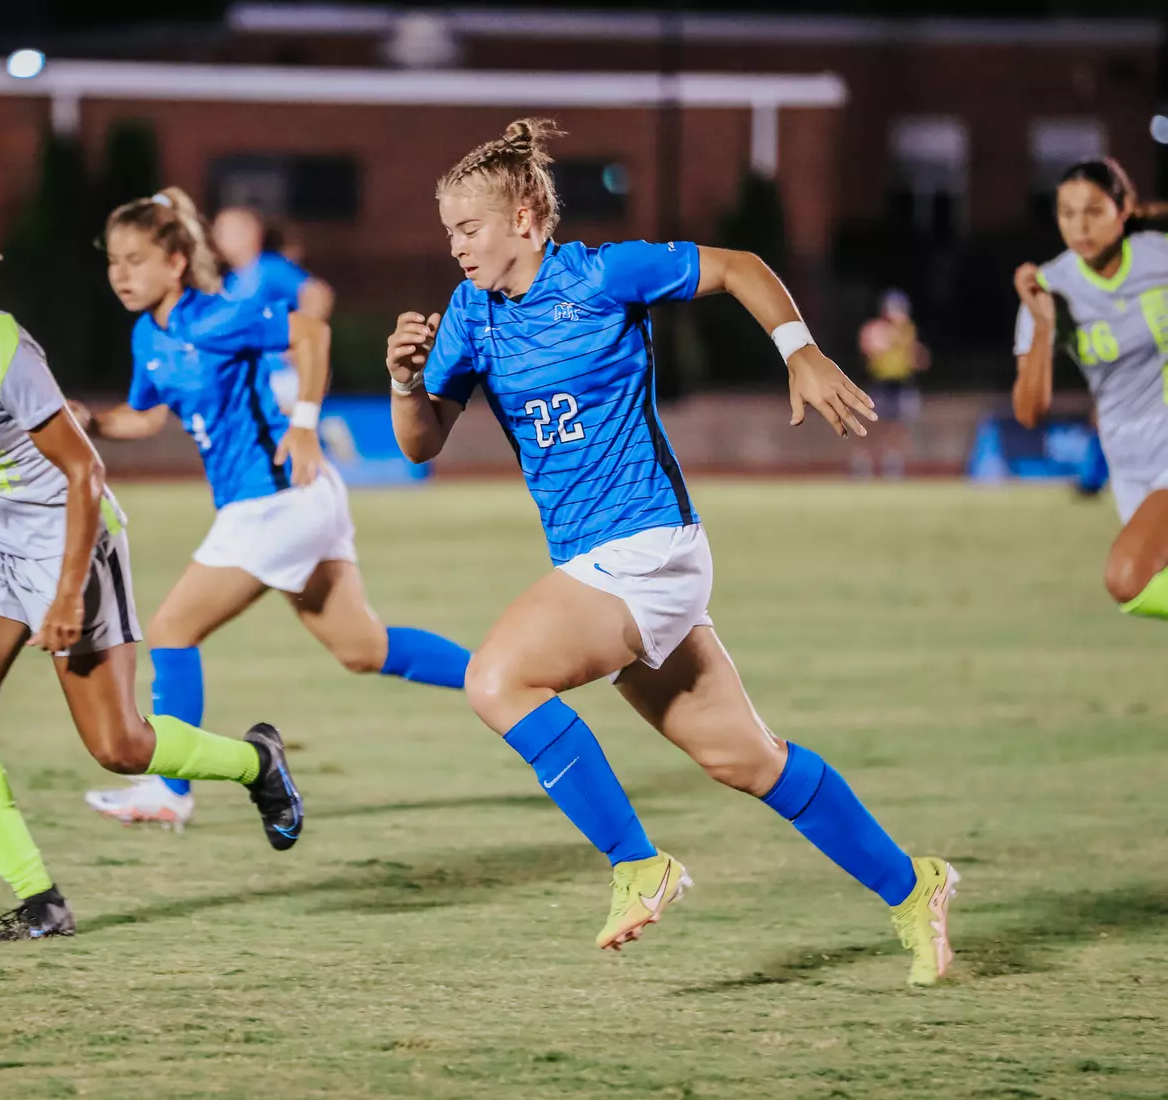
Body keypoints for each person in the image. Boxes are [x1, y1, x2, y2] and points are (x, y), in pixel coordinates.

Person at [385, 119, 958, 985]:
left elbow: (738, 268)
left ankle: (637, 865)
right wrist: (403, 381)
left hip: (648, 547)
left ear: (528, 216)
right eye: (449, 232)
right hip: (604, 567)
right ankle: (916, 888)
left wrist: (798, 353)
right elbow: (421, 443)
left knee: (497, 678)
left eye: (468, 228)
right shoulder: (470, 318)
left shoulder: (602, 275)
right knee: (746, 758)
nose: (455, 247)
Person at [0, 205, 304, 940]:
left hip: (64, 539)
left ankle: (256, 762)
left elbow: (84, 473)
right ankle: (40, 899)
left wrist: (67, 594)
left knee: (118, 745)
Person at [78, 188, 471, 828]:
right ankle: (499, 680)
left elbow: (312, 330)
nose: (122, 274)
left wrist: (308, 422)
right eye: (114, 261)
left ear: (176, 262)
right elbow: (146, 416)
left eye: (136, 259)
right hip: (290, 504)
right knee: (362, 649)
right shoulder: (150, 334)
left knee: (174, 630)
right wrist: (91, 419)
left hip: (276, 502)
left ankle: (170, 791)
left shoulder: (214, 315)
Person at [1013, 159, 1168, 618]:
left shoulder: (1161, 258)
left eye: (1094, 211)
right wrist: (1044, 327)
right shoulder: (1049, 287)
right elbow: (1029, 412)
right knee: (1143, 590)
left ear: (1123, 211)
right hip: (1129, 464)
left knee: (1126, 578)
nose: (1080, 226)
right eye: (1067, 213)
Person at [213, 205, 335, 412]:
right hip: (254, 377)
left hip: (283, 375)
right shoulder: (231, 282)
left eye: (226, 230)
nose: (218, 237)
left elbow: (318, 293)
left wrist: (302, 340)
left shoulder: (269, 268)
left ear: (252, 232)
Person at [855, 288, 929, 478]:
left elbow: (916, 357)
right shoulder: (875, 328)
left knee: (900, 426)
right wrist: (894, 336)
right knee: (873, 425)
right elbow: (871, 348)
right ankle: (864, 463)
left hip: (902, 383)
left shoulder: (908, 330)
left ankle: (893, 465)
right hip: (880, 383)